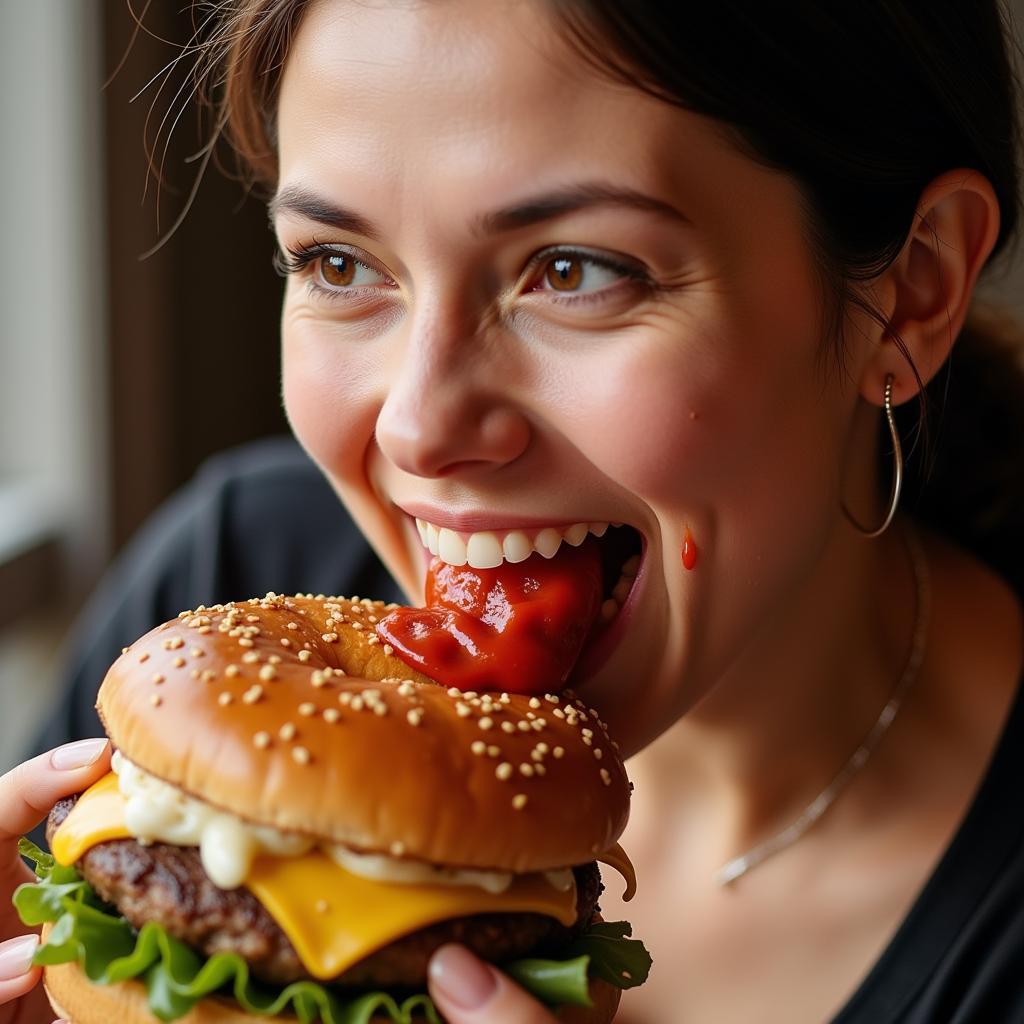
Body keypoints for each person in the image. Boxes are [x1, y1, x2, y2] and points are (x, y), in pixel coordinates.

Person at [3, 2, 1024, 1021]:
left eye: (576, 270)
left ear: (913, 290)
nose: (416, 426)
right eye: (337, 262)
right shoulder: (227, 563)